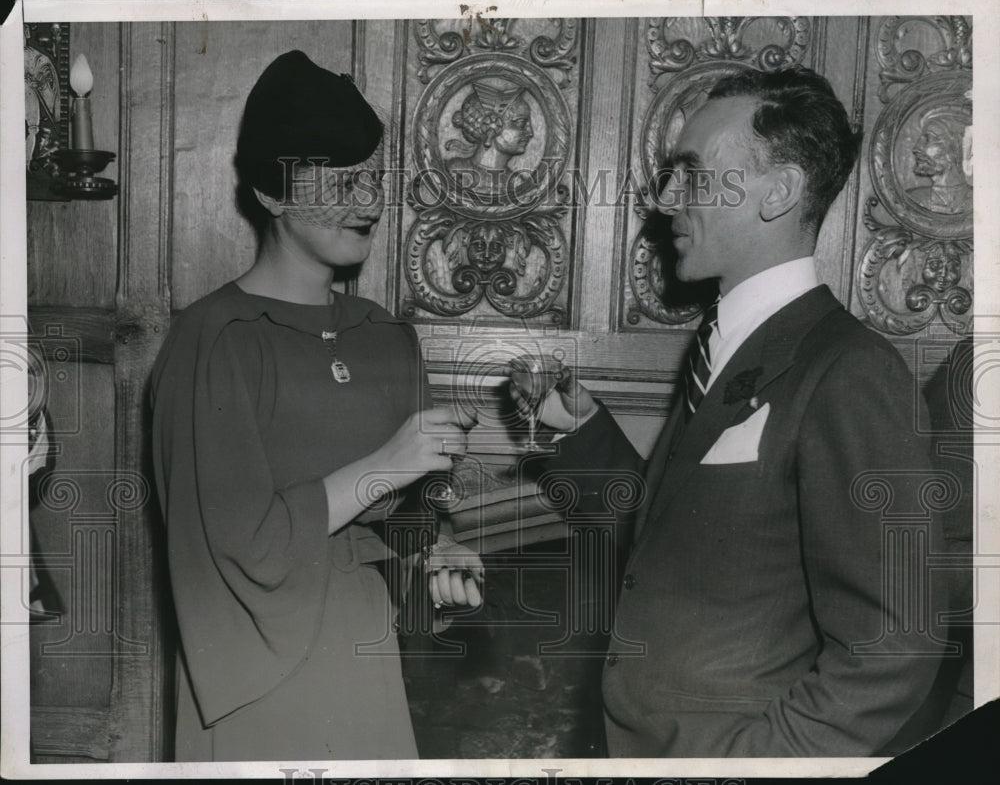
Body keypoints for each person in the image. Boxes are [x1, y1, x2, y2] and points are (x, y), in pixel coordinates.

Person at [510, 66, 946, 757]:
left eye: (692, 173)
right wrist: (586, 433)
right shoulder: (722, 346)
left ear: (778, 192)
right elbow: (675, 547)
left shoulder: (852, 372)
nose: (662, 198)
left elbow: (895, 646)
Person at [150, 50, 482, 762]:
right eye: (338, 178)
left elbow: (401, 530)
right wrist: (379, 469)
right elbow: (231, 550)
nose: (366, 199)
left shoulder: (388, 337)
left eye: (372, 176)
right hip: (256, 685)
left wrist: (434, 559)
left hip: (367, 668)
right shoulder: (214, 341)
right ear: (272, 192)